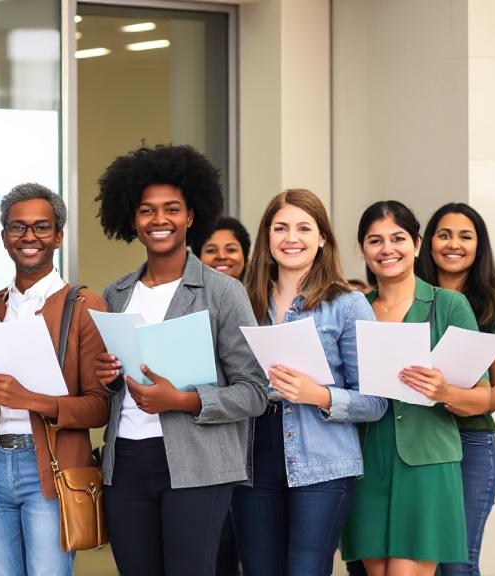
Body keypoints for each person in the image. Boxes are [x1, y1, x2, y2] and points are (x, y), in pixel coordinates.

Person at [93, 144, 268, 576]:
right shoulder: (116, 293)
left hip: (198, 466)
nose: (159, 220)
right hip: (127, 464)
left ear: (191, 216)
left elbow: (255, 393)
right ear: (132, 220)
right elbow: (118, 385)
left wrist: (184, 401)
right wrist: (109, 377)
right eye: (147, 211)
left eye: (172, 209)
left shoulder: (223, 292)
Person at [233, 189, 387, 576]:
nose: (291, 238)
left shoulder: (349, 305)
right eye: (280, 227)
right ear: (267, 238)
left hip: (323, 464)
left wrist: (318, 395)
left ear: (322, 239)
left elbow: (376, 401)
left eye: (304, 228)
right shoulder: (242, 303)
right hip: (251, 460)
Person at [342, 201, 492, 576]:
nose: (386, 249)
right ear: (362, 249)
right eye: (375, 241)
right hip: (365, 460)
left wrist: (445, 391)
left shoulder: (448, 304)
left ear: (417, 243)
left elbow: (482, 395)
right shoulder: (352, 307)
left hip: (427, 461)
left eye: (397, 238)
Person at [0, 183, 111, 576]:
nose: (29, 237)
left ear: (58, 235)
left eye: (41, 227)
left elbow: (99, 405)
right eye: (18, 228)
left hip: (51, 472)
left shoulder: (85, 306)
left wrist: (31, 399)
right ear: (4, 238)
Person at [416, 203, 495, 576]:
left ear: (479, 246)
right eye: (444, 235)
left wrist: (462, 397)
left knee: (456, 566)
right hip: (415, 444)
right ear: (428, 243)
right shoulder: (405, 294)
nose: (453, 244)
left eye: (465, 236)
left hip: (471, 446)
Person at [192, 214, 253, 575]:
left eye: (231, 248)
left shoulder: (259, 301)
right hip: (212, 445)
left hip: (257, 444)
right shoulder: (191, 306)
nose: (222, 256)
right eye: (211, 249)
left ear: (246, 255)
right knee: (219, 549)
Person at [193, 215, 252, 281]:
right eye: (211, 250)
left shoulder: (260, 290)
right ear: (197, 258)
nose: (222, 256)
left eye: (231, 250)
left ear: (245, 257)